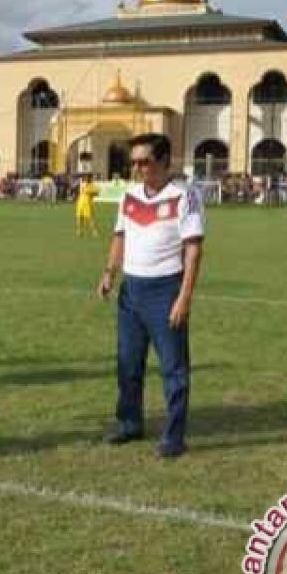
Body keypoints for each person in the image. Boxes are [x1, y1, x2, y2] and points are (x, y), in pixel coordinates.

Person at [97, 133, 204, 459]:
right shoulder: (129, 196)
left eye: (144, 161)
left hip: (165, 291)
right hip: (132, 291)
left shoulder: (184, 196)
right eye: (134, 162)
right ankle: (129, 423)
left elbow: (194, 250)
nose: (138, 168)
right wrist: (109, 273)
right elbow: (120, 236)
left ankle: (173, 436)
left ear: (164, 161)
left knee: (173, 367)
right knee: (128, 363)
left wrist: (184, 297)